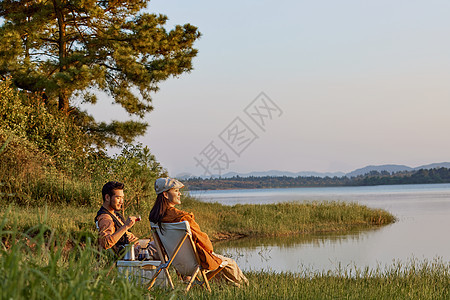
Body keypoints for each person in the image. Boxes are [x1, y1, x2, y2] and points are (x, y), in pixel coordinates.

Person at [149, 177, 249, 287]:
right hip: (195, 263)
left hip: (176, 264)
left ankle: (223, 287)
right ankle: (245, 287)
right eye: (176, 191)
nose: (179, 194)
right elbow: (205, 242)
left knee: (218, 262)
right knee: (230, 263)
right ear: (165, 194)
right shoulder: (182, 218)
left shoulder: (155, 220)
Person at [95, 181, 139, 257]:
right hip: (127, 255)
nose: (121, 201)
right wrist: (126, 226)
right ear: (107, 197)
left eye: (122, 198)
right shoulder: (105, 218)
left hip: (136, 248)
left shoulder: (115, 214)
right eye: (118, 198)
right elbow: (106, 243)